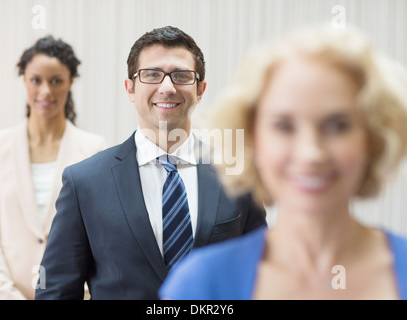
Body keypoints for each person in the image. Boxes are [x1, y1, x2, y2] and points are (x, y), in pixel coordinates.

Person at [159, 24, 407, 300]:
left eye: (337, 126)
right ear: (253, 139)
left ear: (372, 138)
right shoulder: (201, 284)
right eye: (284, 126)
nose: (311, 153)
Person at [34, 26, 266, 300]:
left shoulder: (236, 171)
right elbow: (55, 292)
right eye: (152, 75)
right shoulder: (84, 182)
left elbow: (263, 277)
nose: (167, 87)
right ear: (130, 88)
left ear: (200, 90)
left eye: (181, 76)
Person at [0, 36, 106, 300]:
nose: (46, 91)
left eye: (56, 80)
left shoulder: (94, 149)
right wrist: (6, 293)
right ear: (25, 80)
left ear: (70, 82)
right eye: (36, 80)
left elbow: (99, 234)